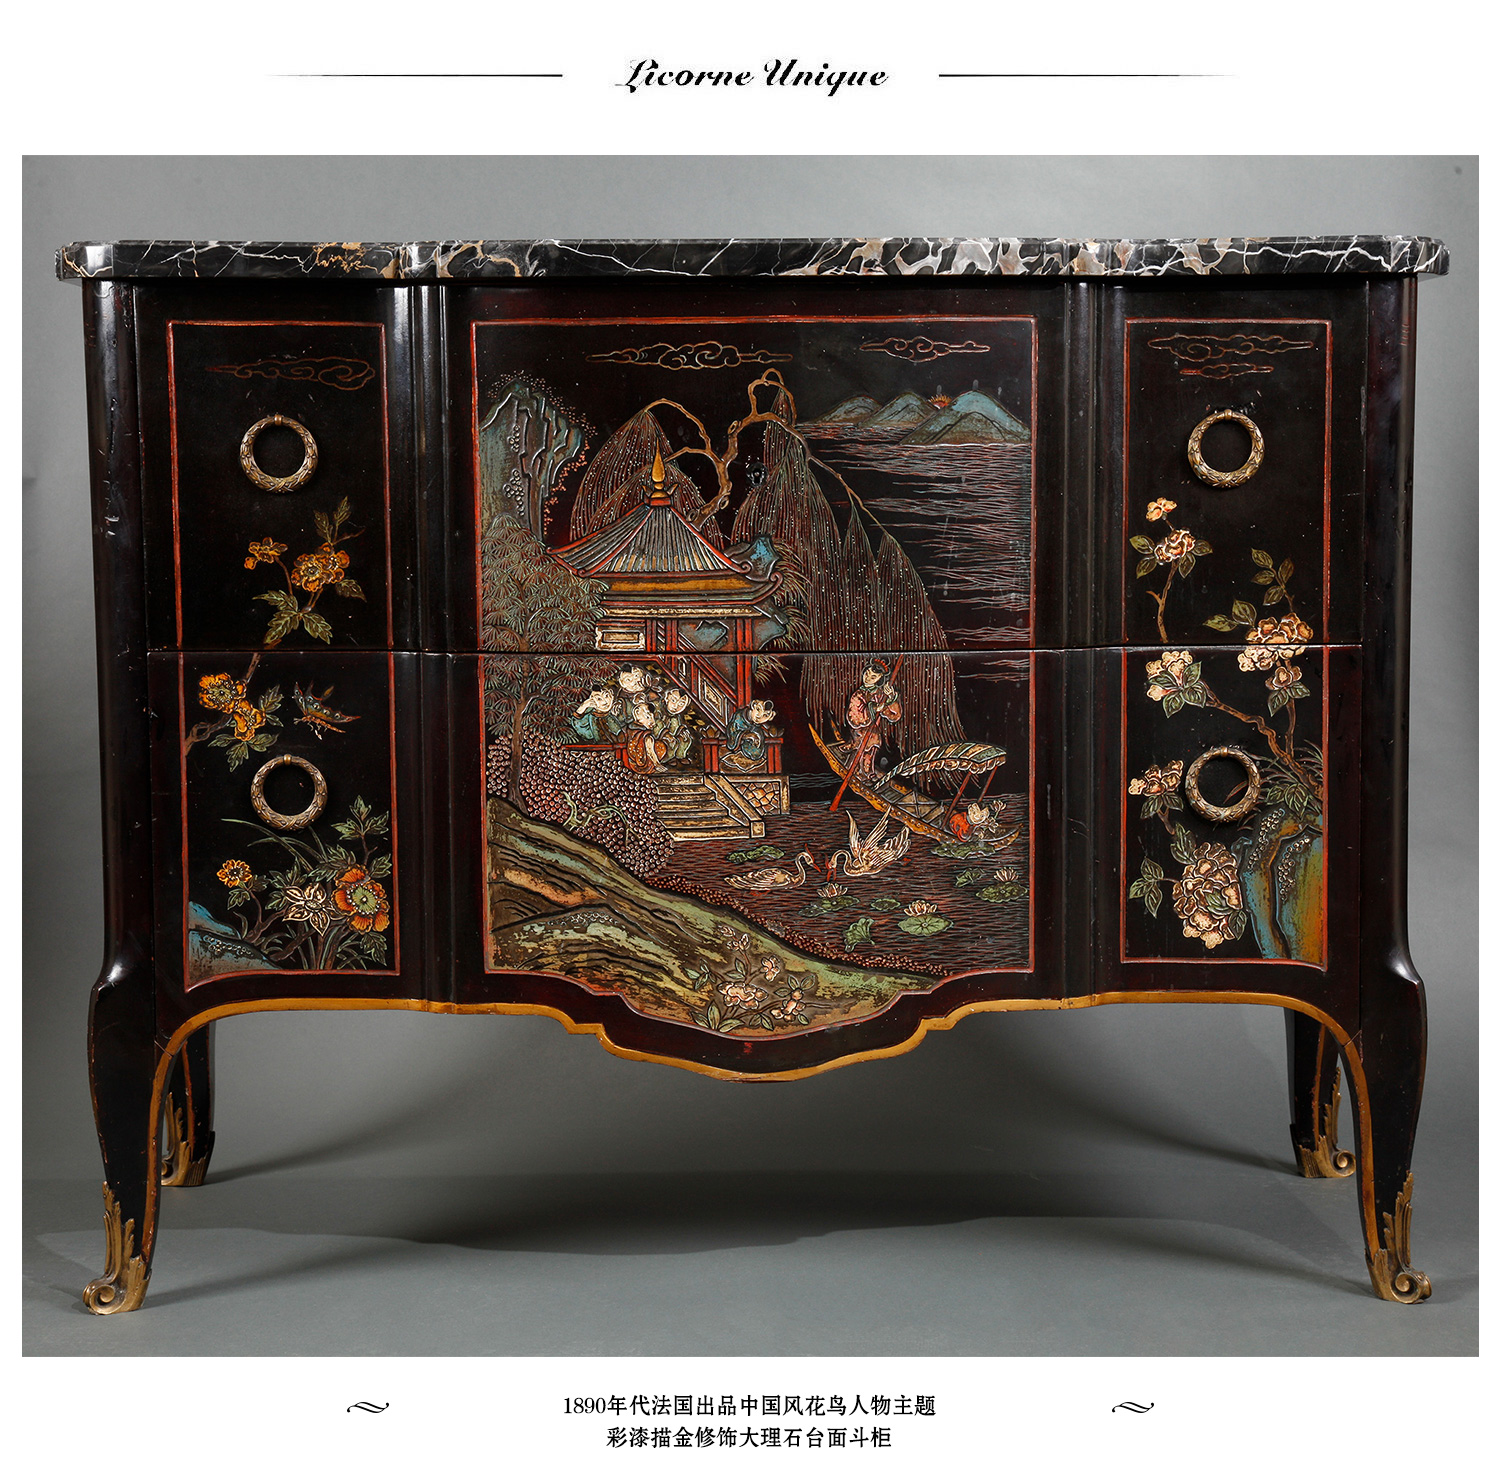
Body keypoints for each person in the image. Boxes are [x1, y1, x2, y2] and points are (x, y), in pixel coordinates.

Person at [845, 661, 902, 775]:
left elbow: (894, 715)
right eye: (867, 674)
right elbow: (855, 715)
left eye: (873, 677)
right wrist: (873, 707)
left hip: (873, 733)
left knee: (869, 755)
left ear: (879, 679)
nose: (867, 678)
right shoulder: (858, 694)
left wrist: (891, 698)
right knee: (857, 755)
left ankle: (867, 773)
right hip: (859, 732)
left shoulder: (880, 694)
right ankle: (854, 770)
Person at [723, 698, 777, 771]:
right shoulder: (739, 717)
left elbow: (757, 752)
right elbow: (732, 732)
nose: (759, 715)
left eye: (765, 715)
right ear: (753, 705)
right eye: (758, 709)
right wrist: (746, 736)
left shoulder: (757, 728)